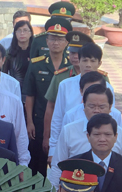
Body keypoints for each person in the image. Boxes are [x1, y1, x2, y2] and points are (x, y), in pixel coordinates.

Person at [48, 87, 122, 186]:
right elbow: (58, 166)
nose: (96, 111)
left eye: (101, 107)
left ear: (110, 108)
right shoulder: (69, 131)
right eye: (91, 106)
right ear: (83, 107)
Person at [49, 43, 115, 161]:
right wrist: (53, 149)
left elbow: (112, 118)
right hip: (72, 142)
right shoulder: (65, 85)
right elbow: (57, 118)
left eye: (93, 61)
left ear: (99, 63)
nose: (88, 65)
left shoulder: (108, 88)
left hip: (99, 144)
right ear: (78, 61)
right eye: (85, 60)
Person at [22, 17, 70, 177]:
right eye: (52, 38)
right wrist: (29, 122)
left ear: (66, 43)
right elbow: (30, 95)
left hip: (64, 121)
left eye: (60, 39)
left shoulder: (70, 67)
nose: (56, 43)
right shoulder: (37, 64)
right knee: (37, 163)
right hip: (40, 120)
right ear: (47, 41)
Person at [42, 31, 94, 159]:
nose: (75, 56)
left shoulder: (103, 81)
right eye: (72, 53)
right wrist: (48, 139)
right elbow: (54, 111)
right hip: (67, 138)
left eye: (79, 53)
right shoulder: (62, 79)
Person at [2, 20, 34, 97]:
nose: (22, 33)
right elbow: (4, 74)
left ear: (30, 33)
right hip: (15, 91)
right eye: (19, 31)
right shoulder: (9, 53)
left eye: (25, 30)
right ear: (15, 33)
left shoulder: (36, 53)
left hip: (33, 92)